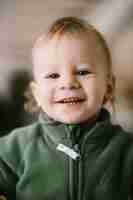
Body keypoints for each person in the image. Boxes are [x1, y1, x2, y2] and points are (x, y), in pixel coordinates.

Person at [0, 16, 133, 200]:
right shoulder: (13, 148)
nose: (68, 83)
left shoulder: (126, 150)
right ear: (37, 94)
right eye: (53, 75)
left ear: (108, 88)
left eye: (82, 72)